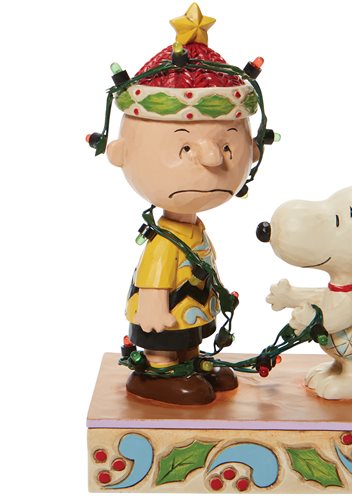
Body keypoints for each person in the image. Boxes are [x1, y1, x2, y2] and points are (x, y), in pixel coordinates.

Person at [105, 3, 263, 404]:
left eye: (228, 145)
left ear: (252, 150)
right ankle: (156, 371)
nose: (213, 159)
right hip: (164, 314)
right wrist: (153, 307)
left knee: (188, 337)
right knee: (164, 342)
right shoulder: (164, 240)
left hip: (191, 309)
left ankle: (190, 360)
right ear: (121, 153)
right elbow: (154, 278)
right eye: (185, 147)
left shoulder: (195, 228)